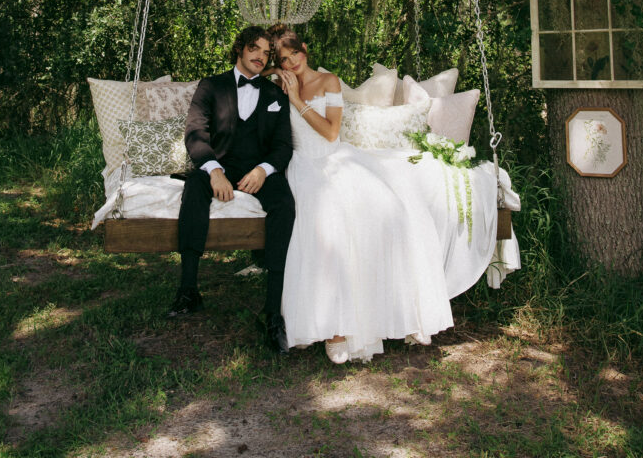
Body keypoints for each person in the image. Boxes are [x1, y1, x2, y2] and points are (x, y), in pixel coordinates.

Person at [270, 24, 453, 363]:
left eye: (294, 53)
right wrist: (280, 85)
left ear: (305, 49)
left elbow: (331, 132)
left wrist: (296, 99)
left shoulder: (329, 82)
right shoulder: (279, 86)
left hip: (335, 157)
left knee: (391, 209)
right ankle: (332, 326)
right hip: (303, 166)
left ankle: (402, 315)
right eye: (283, 58)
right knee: (324, 221)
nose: (292, 61)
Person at [168, 26, 295, 355]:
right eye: (255, 48)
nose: (260, 56)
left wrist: (263, 170)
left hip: (258, 170)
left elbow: (283, 147)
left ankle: (272, 312)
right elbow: (195, 132)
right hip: (219, 164)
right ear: (240, 49)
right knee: (193, 190)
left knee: (284, 204)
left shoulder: (275, 95)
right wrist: (215, 172)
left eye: (267, 53)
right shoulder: (211, 85)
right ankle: (188, 290)